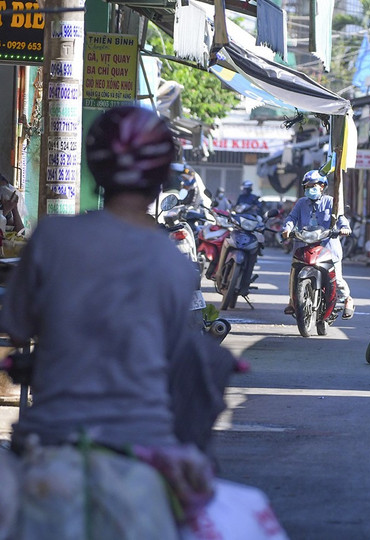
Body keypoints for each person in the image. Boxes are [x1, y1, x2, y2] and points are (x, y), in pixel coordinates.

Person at [0, 106, 238, 536]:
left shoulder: (52, 238)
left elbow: (17, 327)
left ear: (95, 167)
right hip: (146, 453)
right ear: (162, 176)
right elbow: (173, 352)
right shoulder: (175, 265)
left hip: (48, 448)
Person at [282, 169, 354, 319]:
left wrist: (344, 228)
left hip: (328, 246)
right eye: (307, 186)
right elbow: (291, 217)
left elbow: (340, 217)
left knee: (338, 280)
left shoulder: (331, 201)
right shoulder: (301, 203)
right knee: (294, 274)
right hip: (303, 246)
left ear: (322, 186)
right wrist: (287, 228)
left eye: (313, 186)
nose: (310, 189)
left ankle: (347, 299)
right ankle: (292, 301)